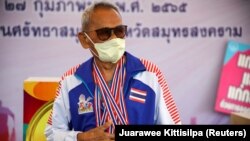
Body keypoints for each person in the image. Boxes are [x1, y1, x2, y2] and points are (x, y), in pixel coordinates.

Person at [45, 1, 181, 141]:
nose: (114, 39)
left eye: (119, 31)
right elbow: (52, 133)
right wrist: (81, 138)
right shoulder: (71, 79)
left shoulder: (150, 73)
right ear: (85, 40)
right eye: (104, 33)